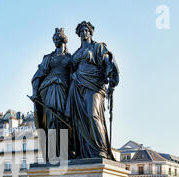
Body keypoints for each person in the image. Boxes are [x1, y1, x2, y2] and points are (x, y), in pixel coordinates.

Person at [66, 21, 119, 160]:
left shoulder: (98, 47)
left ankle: (100, 148)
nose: (84, 33)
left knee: (92, 115)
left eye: (86, 31)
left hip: (94, 84)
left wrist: (110, 74)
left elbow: (108, 62)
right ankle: (84, 151)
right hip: (77, 86)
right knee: (79, 121)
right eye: (81, 31)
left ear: (90, 32)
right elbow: (70, 70)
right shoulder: (76, 53)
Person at [30, 28, 73, 161]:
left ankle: (64, 152)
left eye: (57, 39)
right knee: (51, 120)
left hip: (64, 89)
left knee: (62, 119)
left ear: (63, 40)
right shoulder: (48, 58)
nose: (55, 41)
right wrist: (34, 93)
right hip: (48, 89)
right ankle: (52, 153)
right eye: (54, 39)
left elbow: (74, 76)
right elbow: (38, 75)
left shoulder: (70, 58)